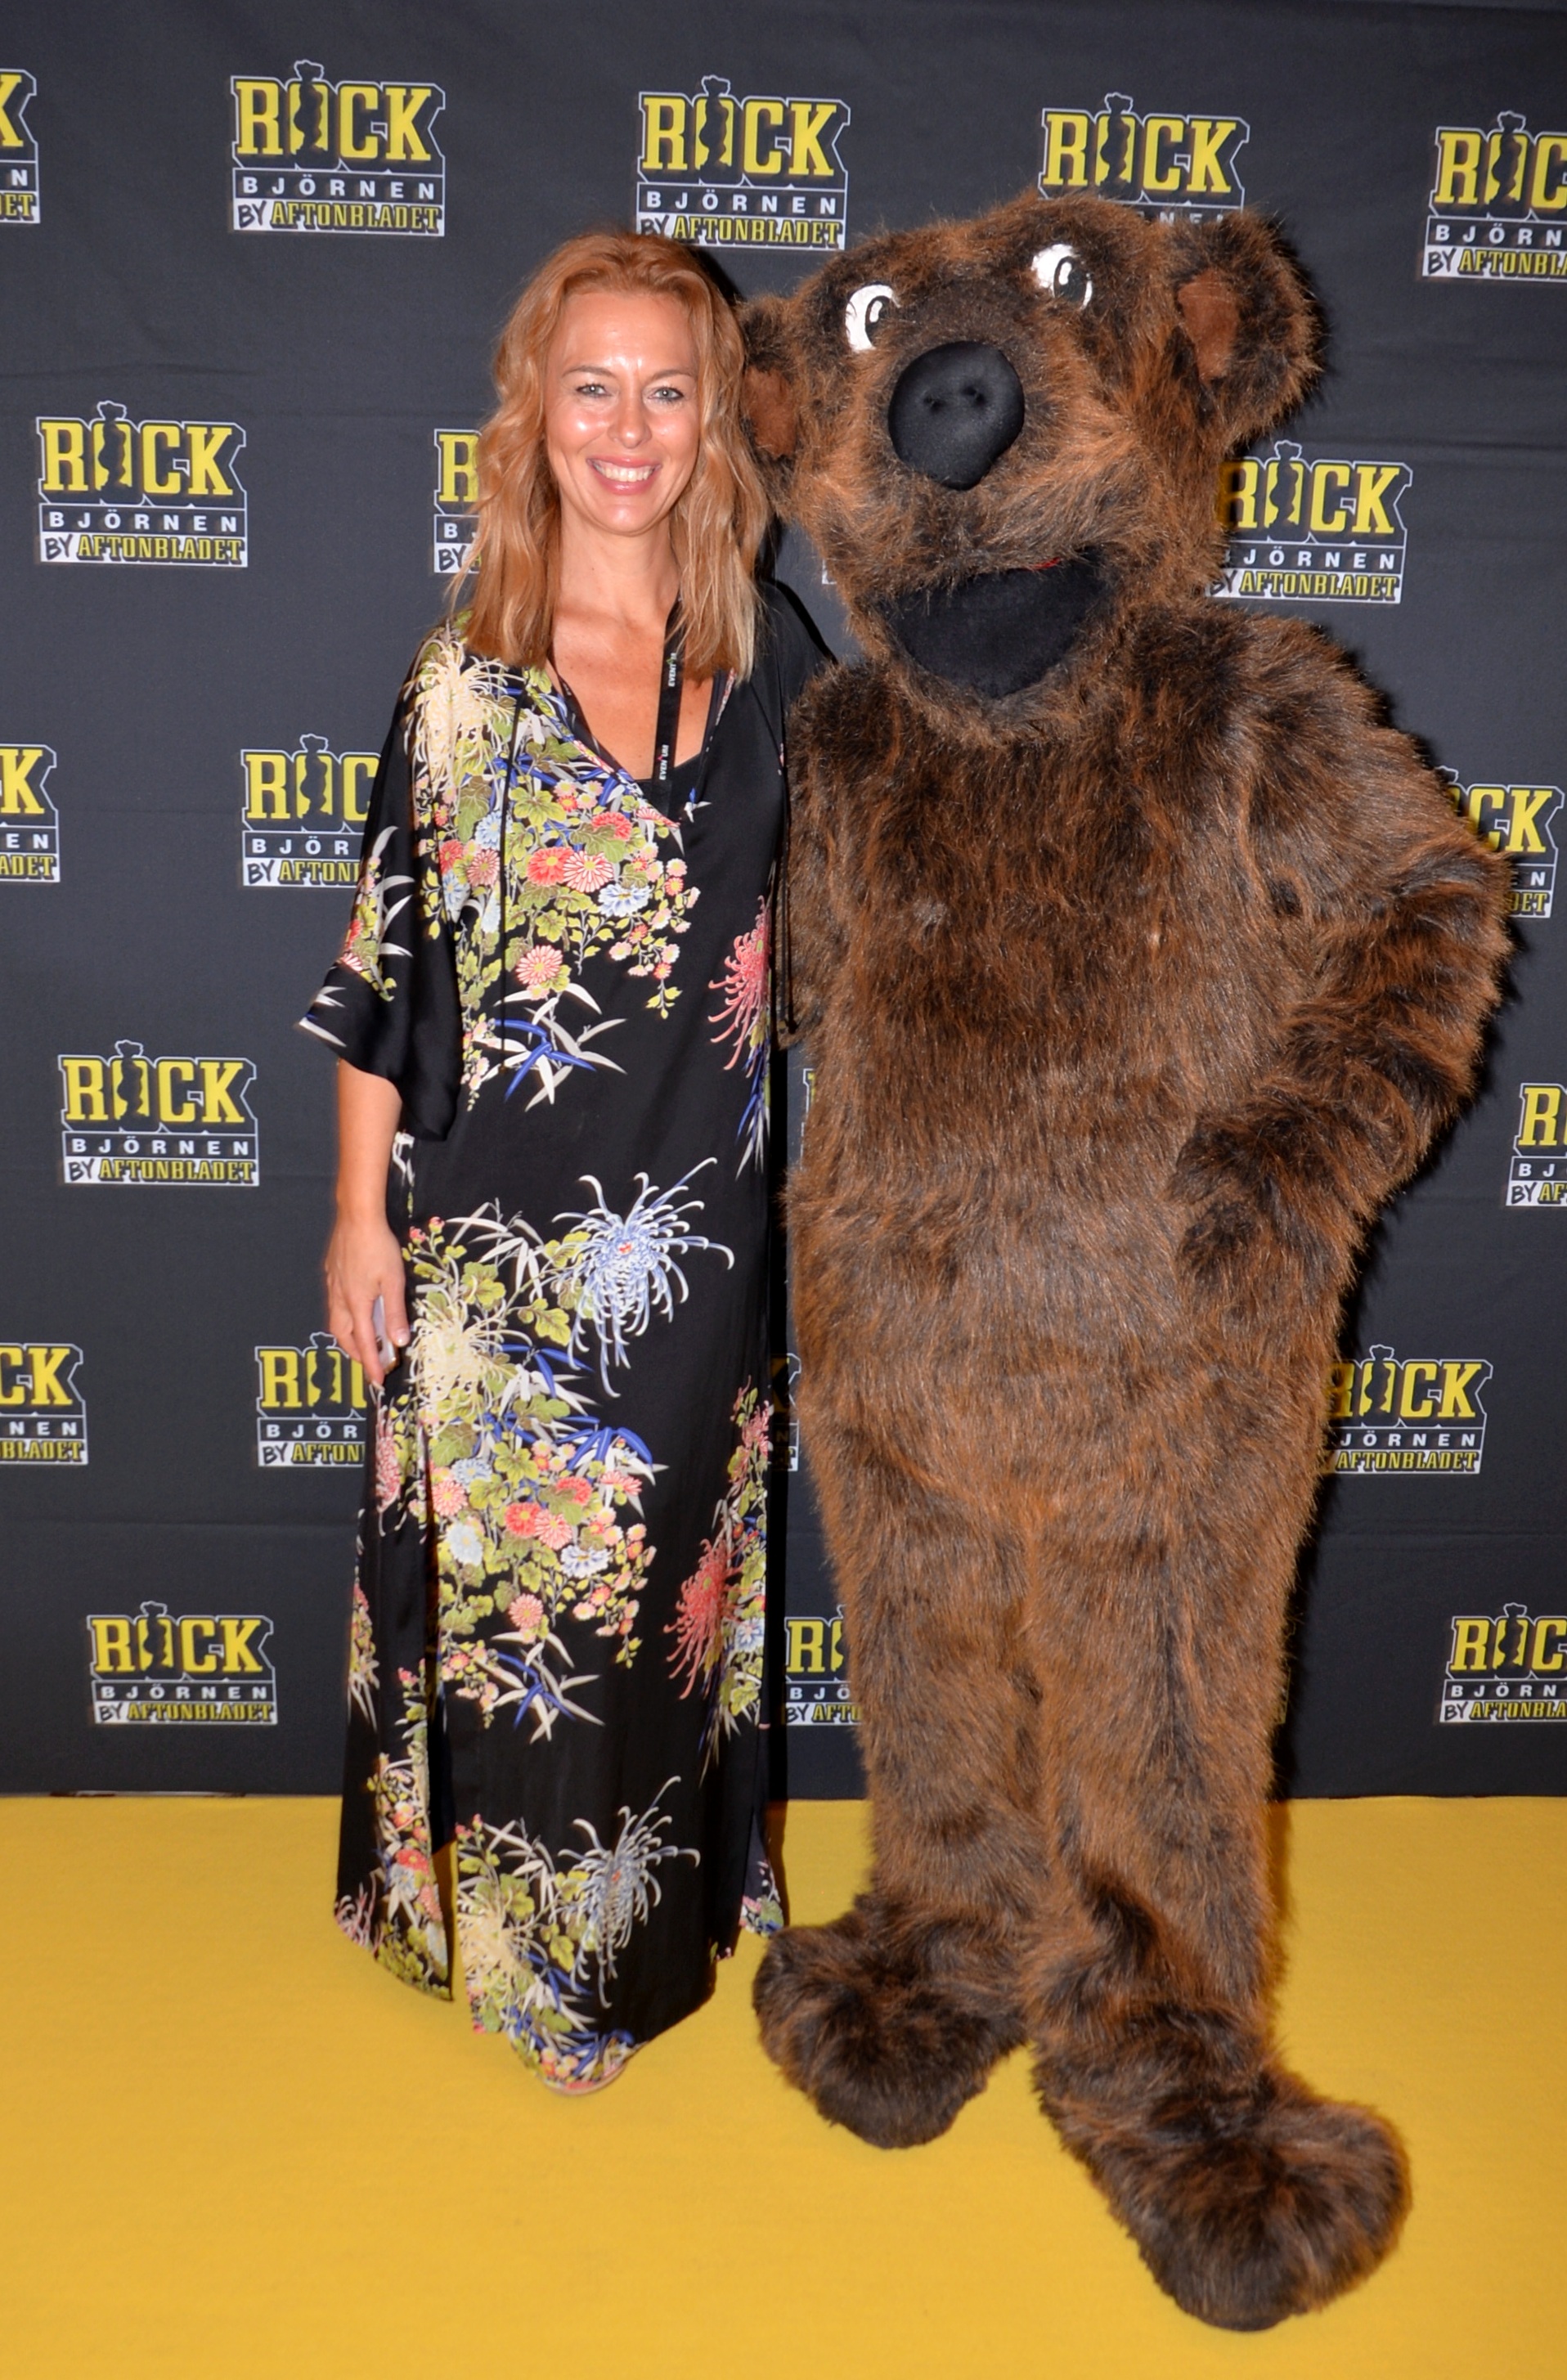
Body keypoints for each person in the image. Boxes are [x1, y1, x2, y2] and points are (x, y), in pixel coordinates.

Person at [301, 229, 824, 2092]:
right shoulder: (466, 683)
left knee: (670, 1597)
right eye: (590, 386)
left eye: (665, 391)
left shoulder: (773, 662)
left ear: (713, 423)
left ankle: (672, 1909)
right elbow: (390, 964)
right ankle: (551, 1980)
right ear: (533, 413)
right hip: (490, 1250)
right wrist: (356, 1215)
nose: (626, 427)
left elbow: (864, 927)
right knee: (529, 1608)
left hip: (699, 1239)